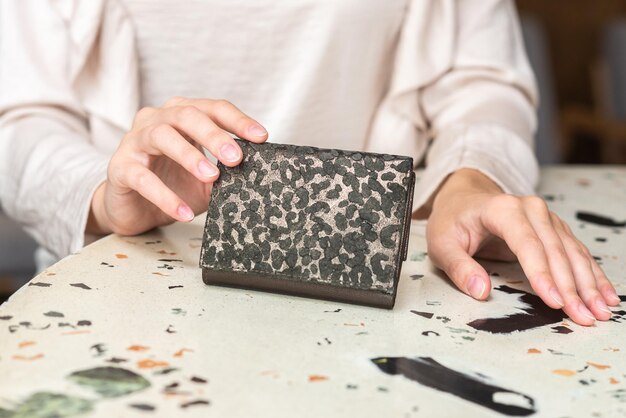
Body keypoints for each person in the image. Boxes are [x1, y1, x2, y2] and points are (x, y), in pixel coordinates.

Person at [0, 0, 619, 326]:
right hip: (118, 283)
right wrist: (104, 196)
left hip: (372, 288)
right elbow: (18, 115)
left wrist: (470, 176)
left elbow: (481, 76)